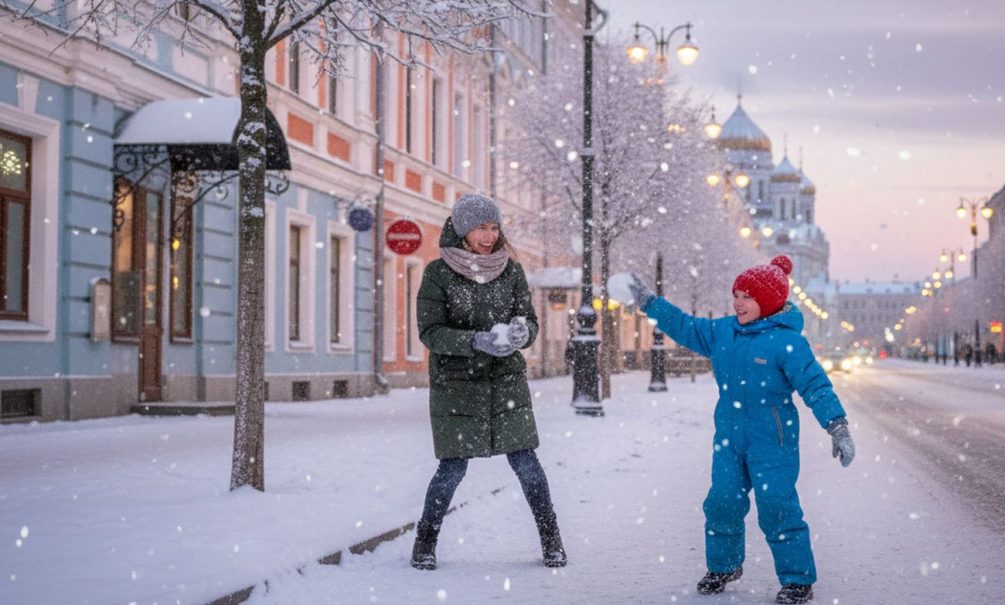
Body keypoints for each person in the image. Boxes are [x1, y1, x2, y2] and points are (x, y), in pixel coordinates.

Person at [627, 255, 855, 605]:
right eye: (736, 294)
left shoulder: (786, 342)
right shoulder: (723, 332)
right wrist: (650, 304)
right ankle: (725, 566)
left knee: (777, 505)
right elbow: (685, 326)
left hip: (773, 440)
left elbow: (816, 385)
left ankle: (797, 579)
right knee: (721, 502)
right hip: (730, 438)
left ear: (768, 301)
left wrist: (836, 425)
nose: (738, 302)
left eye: (747, 296)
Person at [410, 193, 567, 571]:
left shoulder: (510, 271)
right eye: (482, 227)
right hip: (457, 386)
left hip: (505, 383)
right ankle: (424, 544)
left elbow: (529, 321)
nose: (489, 235)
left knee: (526, 463)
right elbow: (430, 332)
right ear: (464, 229)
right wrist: (475, 341)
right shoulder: (438, 273)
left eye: (494, 227)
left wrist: (519, 332)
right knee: (452, 468)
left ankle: (552, 541)